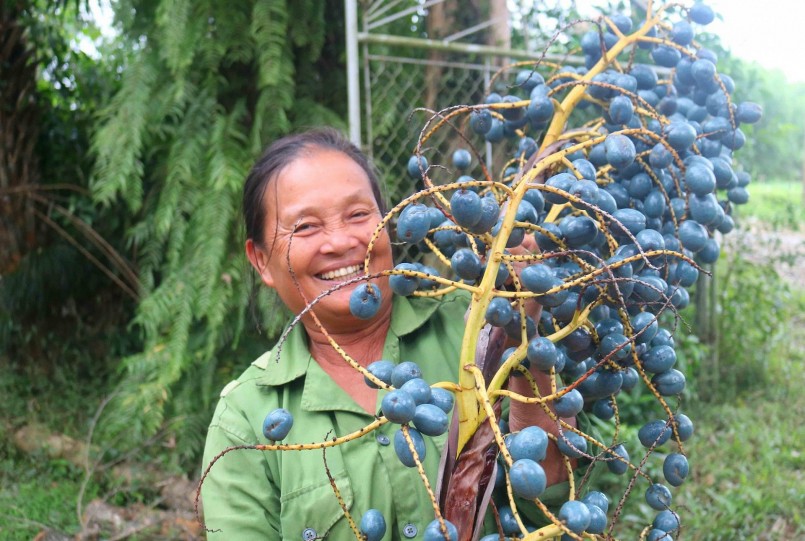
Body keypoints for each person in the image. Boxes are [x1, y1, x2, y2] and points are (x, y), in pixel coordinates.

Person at [200, 127, 584, 540]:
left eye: (359, 215)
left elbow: (552, 505)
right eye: (306, 226)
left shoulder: (475, 326)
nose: (342, 241)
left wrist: (522, 334)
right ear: (260, 260)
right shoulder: (245, 419)